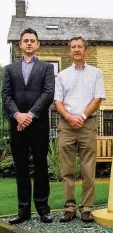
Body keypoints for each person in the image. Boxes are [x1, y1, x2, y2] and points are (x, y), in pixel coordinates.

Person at [1, 28, 55, 224]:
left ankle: (43, 209)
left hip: (38, 125)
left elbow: (48, 93)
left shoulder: (47, 68)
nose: (29, 43)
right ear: (20, 45)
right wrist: (18, 115)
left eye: (33, 40)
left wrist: (30, 115)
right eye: (26, 40)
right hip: (17, 127)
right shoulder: (10, 69)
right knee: (21, 169)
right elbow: (6, 96)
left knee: (40, 167)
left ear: (38, 44)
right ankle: (23, 212)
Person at [54, 36, 106, 223]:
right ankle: (69, 208)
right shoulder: (62, 75)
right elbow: (57, 101)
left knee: (88, 169)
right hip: (66, 126)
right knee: (67, 170)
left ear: (86, 51)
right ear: (70, 51)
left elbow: (98, 98)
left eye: (80, 47)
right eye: (73, 47)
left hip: (87, 124)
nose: (76, 49)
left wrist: (82, 117)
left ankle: (86, 208)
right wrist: (69, 117)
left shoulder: (96, 73)